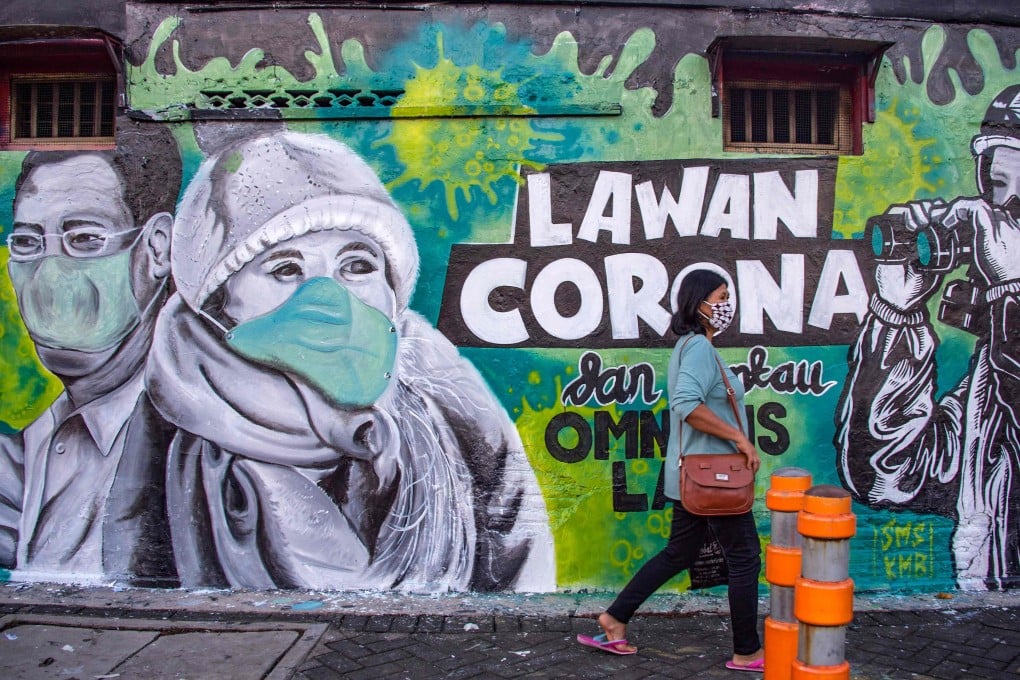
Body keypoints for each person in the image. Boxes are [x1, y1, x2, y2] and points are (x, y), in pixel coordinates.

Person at [145, 130, 555, 591]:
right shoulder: (155, 435)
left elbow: (519, 552)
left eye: (358, 265)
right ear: (222, 306)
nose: (330, 300)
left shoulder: (454, 408)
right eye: (285, 269)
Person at [836, 84, 1020, 590]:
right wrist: (898, 312)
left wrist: (1008, 292)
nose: (1000, 218)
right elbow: (886, 477)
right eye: (996, 189)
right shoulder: (987, 381)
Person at [0, 122, 182, 585]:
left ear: (157, 249)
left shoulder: (199, 443)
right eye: (26, 243)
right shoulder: (31, 449)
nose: (50, 280)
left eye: (84, 240)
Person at [578, 268, 764, 670]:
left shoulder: (691, 346)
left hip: (693, 479)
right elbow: (685, 404)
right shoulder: (698, 347)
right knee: (746, 558)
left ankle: (615, 618)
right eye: (721, 296)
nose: (727, 304)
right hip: (716, 479)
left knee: (680, 552)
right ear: (700, 305)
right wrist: (740, 439)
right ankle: (747, 651)